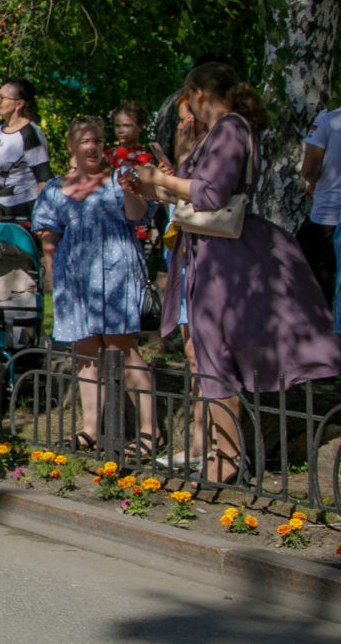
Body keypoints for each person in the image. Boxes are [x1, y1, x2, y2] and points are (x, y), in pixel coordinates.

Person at [124, 64, 341, 482]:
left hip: (224, 257)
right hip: (208, 252)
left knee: (215, 350)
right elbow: (192, 188)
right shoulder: (220, 132)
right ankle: (221, 456)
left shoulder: (230, 129)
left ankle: (226, 459)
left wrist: (162, 177)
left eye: (188, 99)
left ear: (199, 94)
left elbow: (211, 192)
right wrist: (151, 186)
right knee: (208, 351)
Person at [32, 116, 158, 452]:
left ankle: (149, 431)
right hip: (74, 279)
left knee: (124, 350)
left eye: (99, 140)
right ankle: (90, 429)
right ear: (72, 146)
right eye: (86, 141)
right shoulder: (57, 188)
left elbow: (139, 217)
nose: (94, 147)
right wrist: (54, 278)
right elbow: (49, 237)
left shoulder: (120, 177)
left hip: (116, 274)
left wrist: (132, 191)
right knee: (86, 355)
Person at [0, 79, 50, 226]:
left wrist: (40, 214)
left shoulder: (30, 134)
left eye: (2, 98)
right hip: (4, 207)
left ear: (19, 104)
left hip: (26, 209)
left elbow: (44, 176)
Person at [298, 98, 341, 304]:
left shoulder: (329, 119)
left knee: (314, 290)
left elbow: (308, 169)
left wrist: (314, 182)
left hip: (328, 217)